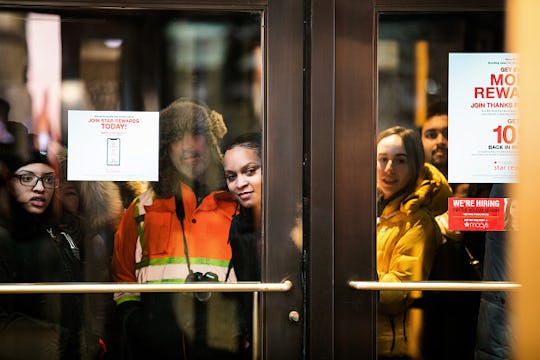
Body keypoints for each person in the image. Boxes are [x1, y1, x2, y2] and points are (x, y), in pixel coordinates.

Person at [111, 99, 239, 360]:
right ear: (165, 149)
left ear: (212, 142)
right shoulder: (140, 209)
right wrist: (136, 324)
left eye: (197, 134)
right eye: (177, 137)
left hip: (224, 347)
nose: (189, 145)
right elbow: (123, 281)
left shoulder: (237, 206)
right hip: (157, 351)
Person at [0, 147, 87, 359]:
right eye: (27, 178)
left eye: (48, 180)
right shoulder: (5, 238)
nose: (40, 188)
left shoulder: (53, 234)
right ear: (10, 185)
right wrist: (56, 339)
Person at [376, 126, 452, 360]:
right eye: (382, 159)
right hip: (367, 336)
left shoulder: (417, 220)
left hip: (393, 347)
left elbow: (396, 295)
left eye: (400, 161)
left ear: (415, 166)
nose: (389, 169)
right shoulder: (375, 205)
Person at [223, 132, 262, 359]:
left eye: (250, 171)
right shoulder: (239, 226)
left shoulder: (303, 221)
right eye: (231, 176)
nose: (240, 184)